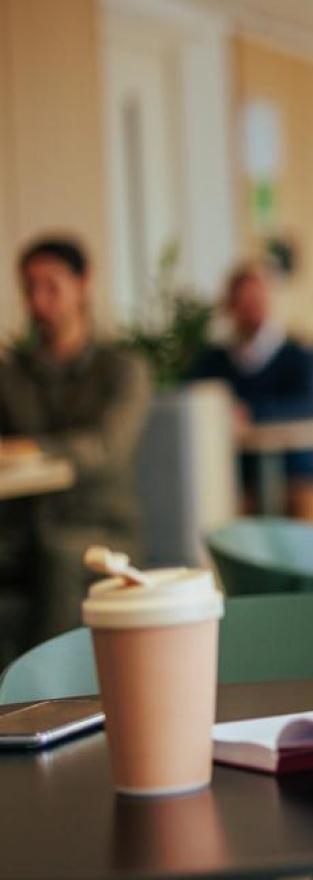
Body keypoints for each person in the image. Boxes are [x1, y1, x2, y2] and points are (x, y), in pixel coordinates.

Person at [0, 235, 150, 657]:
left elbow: (106, 448)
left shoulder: (122, 369)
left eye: (51, 286)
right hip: (22, 527)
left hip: (100, 526)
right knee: (37, 549)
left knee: (59, 556)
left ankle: (43, 703)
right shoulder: (14, 373)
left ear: (83, 284)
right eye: (30, 287)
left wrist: (31, 448)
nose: (39, 300)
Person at [189, 262, 313, 526]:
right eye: (243, 300)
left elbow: (307, 406)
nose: (251, 307)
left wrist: (249, 412)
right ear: (230, 306)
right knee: (217, 519)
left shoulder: (297, 357)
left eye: (257, 299)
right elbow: (195, 405)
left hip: (298, 474)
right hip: (241, 479)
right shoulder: (214, 363)